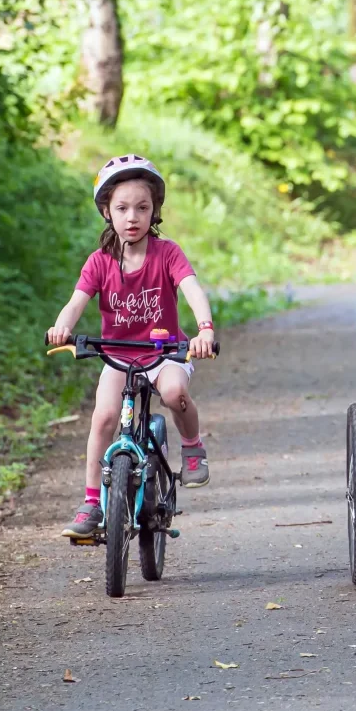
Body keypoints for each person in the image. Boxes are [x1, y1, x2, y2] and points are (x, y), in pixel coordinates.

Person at [49, 155, 218, 539]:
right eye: (122, 208)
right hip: (119, 354)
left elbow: (192, 289)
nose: (133, 217)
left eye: (142, 208)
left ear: (154, 210)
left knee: (175, 392)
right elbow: (77, 301)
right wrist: (62, 327)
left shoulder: (168, 253)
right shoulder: (100, 261)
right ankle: (92, 502)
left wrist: (204, 329)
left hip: (164, 354)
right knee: (103, 418)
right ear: (107, 211)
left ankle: (192, 446)